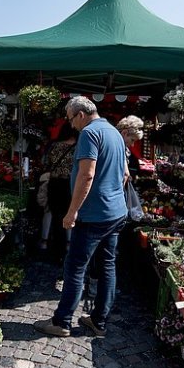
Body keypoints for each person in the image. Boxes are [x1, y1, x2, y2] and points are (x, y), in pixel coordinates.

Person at [35, 96, 127, 338]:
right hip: (115, 212)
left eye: (70, 118)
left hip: (93, 215)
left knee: (75, 267)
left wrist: (72, 212)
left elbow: (86, 175)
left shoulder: (89, 133)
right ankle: (99, 322)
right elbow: (125, 174)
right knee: (107, 267)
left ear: (81, 115)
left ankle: (62, 321)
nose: (71, 124)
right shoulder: (114, 132)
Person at [38, 122, 78, 252]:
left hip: (55, 183)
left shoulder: (55, 146)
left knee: (55, 214)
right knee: (70, 213)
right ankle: (69, 244)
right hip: (71, 184)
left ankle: (54, 246)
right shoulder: (79, 147)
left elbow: (46, 163)